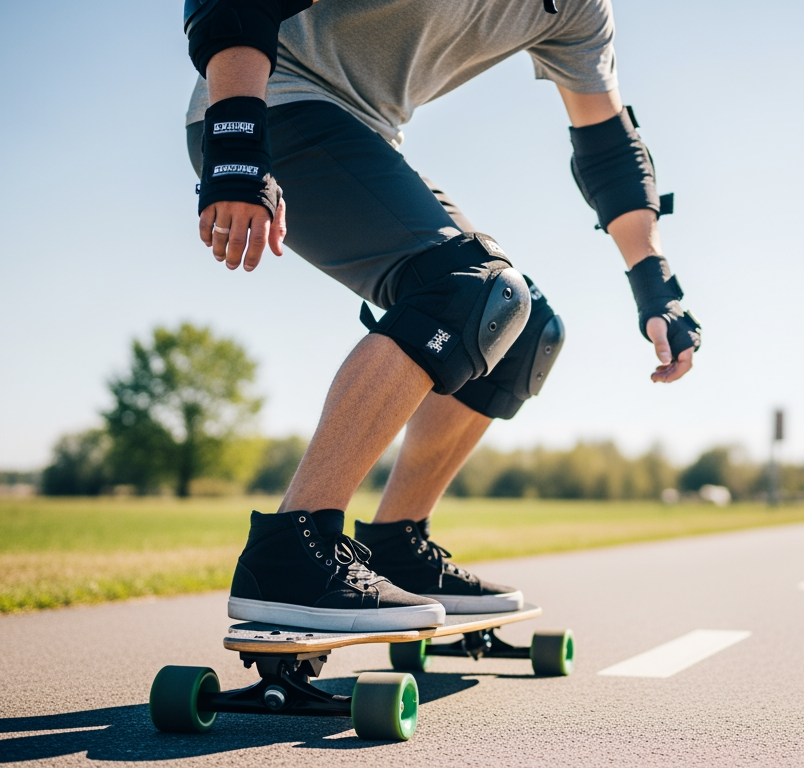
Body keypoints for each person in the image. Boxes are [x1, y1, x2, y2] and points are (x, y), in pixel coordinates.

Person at [182, 0, 701, 631]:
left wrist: (657, 286)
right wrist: (236, 143)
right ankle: (292, 554)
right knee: (464, 289)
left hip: (364, 133)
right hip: (269, 103)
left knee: (523, 327)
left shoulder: (578, 9)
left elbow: (610, 148)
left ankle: (395, 546)